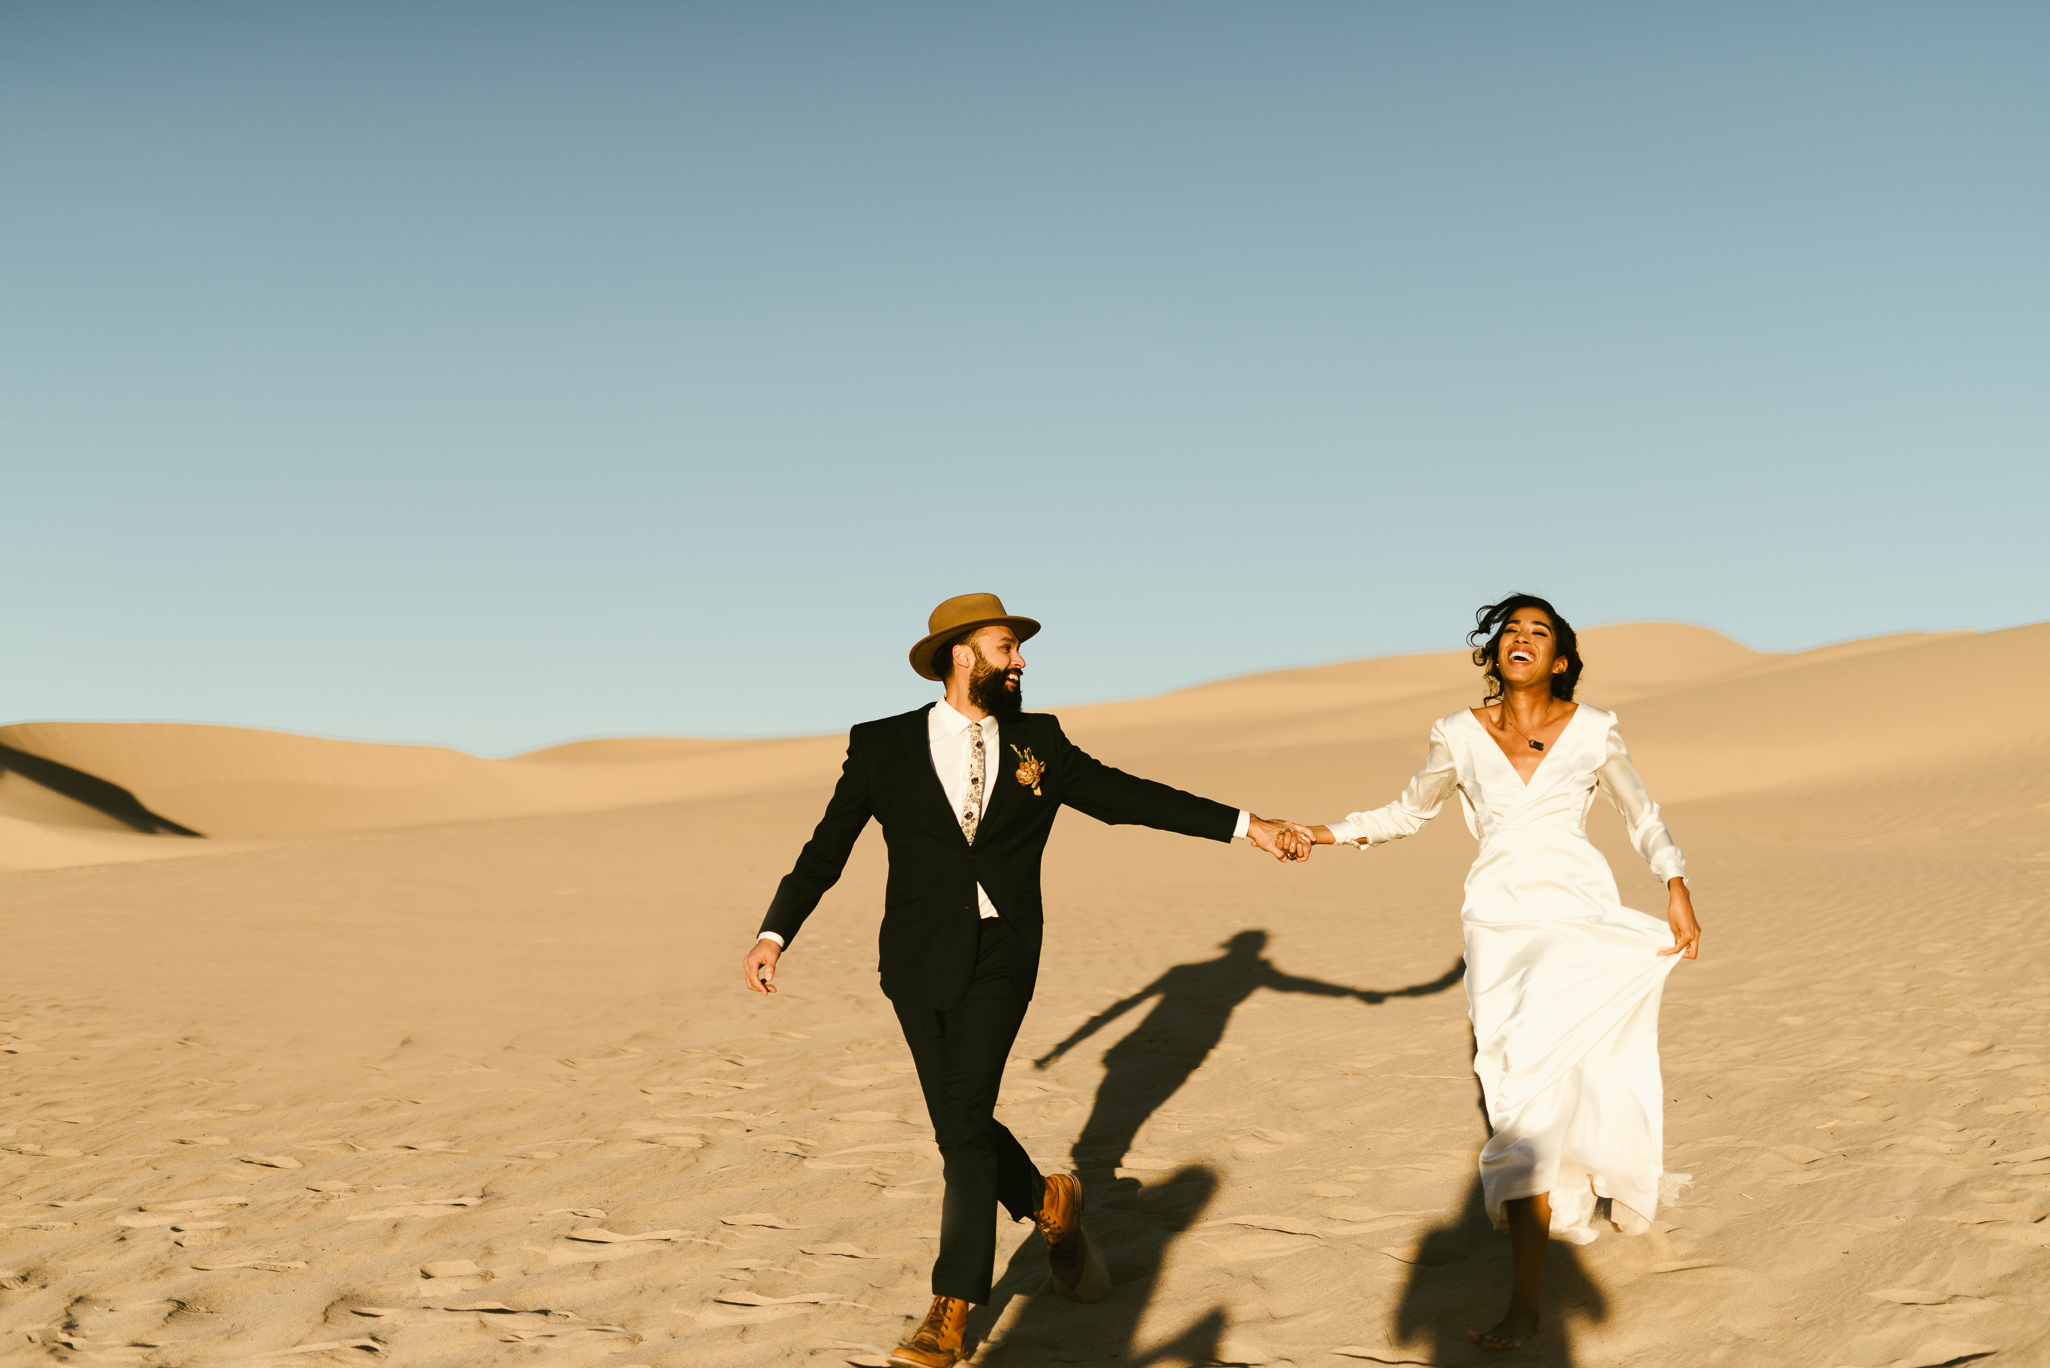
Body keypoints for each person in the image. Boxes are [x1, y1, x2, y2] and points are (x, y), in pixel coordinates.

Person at [741, 593, 1310, 1368]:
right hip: (915, 960)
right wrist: (776, 932)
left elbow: (1128, 798)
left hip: (1004, 952)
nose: (1021, 661)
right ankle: (1049, 1202)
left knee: (964, 1120)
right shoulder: (881, 745)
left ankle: (952, 1307)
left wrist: (1249, 827)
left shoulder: (1038, 740)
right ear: (961, 656)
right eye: (1006, 647)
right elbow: (827, 847)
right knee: (960, 1125)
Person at [1301, 594, 1701, 1351]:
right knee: (1511, 1084)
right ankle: (1542, 1240)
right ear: (1495, 651)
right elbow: (1406, 814)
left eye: (1538, 632)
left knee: (1530, 1095)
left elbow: (1640, 815)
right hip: (1495, 924)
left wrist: (1674, 884)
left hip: (1577, 916)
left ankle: (1524, 1306)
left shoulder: (1594, 730)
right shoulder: (1458, 733)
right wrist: (1322, 833)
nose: (1521, 639)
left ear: (1560, 658)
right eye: (1510, 630)